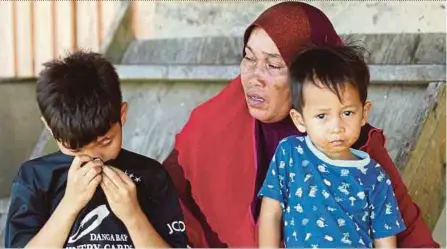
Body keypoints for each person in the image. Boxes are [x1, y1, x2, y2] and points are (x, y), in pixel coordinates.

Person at [162, 1, 439, 247]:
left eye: (273, 65)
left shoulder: (351, 143)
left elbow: (407, 231)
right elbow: (161, 188)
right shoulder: (223, 116)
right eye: (248, 58)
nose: (254, 77)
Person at [5, 51, 187, 248]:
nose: (94, 159)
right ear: (49, 127)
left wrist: (133, 216)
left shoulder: (152, 176)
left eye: (105, 141)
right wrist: (70, 204)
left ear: (122, 115)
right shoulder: (35, 179)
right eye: (75, 149)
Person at [258, 45, 405, 248]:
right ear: (299, 120)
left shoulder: (375, 176)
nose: (337, 127)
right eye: (321, 116)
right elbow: (270, 213)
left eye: (347, 113)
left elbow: (385, 239)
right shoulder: (291, 153)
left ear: (364, 113)